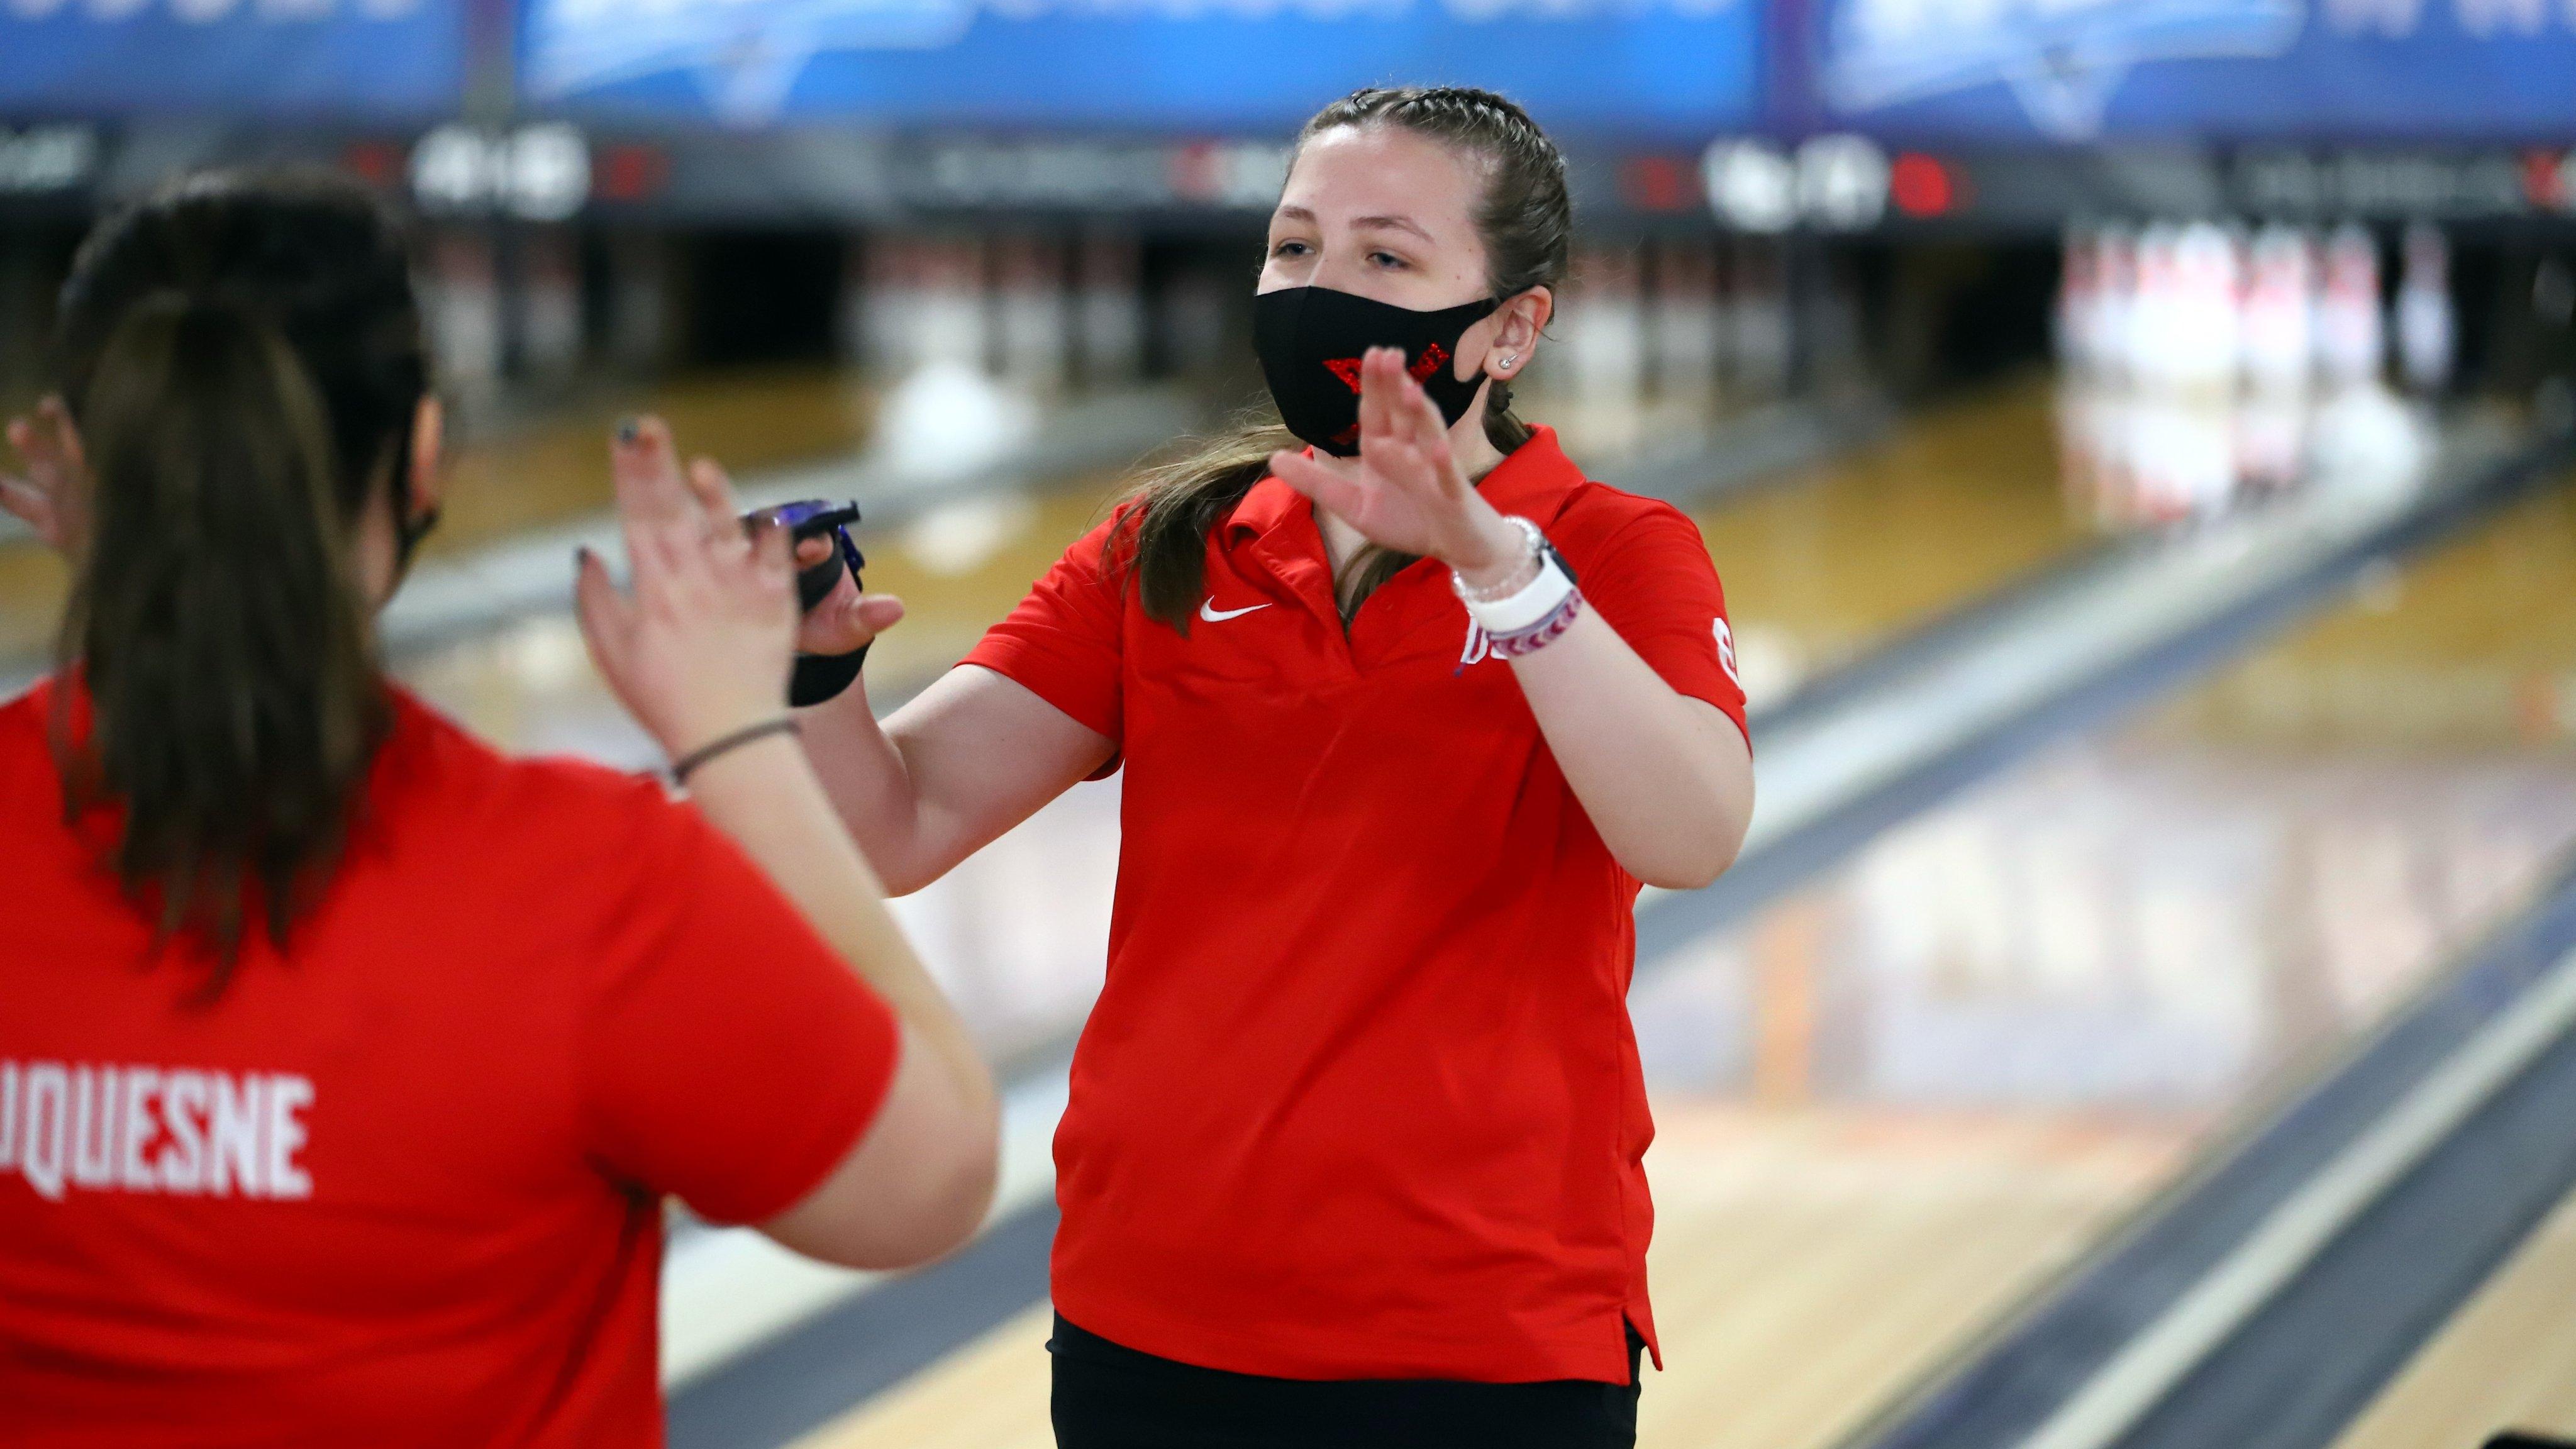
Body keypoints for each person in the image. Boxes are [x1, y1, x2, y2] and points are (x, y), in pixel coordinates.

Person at [780, 87, 1757, 1446]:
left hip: (1480, 1340)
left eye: (1384, 259)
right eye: (1293, 246)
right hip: (1152, 1320)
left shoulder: (1612, 551)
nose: (1318, 288)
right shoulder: (1166, 548)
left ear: (1512, 326)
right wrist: (809, 674)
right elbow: (898, 822)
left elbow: (1691, 834)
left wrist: (1491, 566)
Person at [0, 172, 998, 1446]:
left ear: (80, 460)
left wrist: (168, 558)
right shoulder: (583, 880)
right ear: (419, 460)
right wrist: (739, 735)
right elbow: (933, 1174)